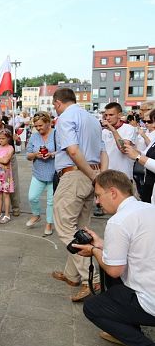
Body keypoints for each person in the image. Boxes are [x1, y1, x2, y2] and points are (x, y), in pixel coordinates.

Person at [72, 170, 155, 346]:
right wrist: (100, 244)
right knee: (112, 279)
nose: (98, 202)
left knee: (92, 307)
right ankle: (124, 330)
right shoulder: (148, 208)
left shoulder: (118, 221)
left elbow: (114, 269)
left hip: (150, 300)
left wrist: (93, 251)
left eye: (99, 195)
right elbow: (133, 247)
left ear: (113, 192)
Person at [51, 87, 108, 303]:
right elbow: (103, 150)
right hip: (91, 173)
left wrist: (92, 175)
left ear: (57, 103)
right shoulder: (92, 118)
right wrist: (99, 175)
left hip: (75, 175)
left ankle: (90, 278)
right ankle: (72, 274)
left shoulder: (66, 117)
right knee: (81, 228)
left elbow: (73, 151)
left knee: (65, 226)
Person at [25, 112, 56, 236]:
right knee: (32, 197)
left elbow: (64, 151)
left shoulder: (57, 134)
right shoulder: (34, 136)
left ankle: (49, 223)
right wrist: (35, 155)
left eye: (40, 125)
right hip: (38, 172)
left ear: (48, 123)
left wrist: (51, 154)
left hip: (54, 173)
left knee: (51, 201)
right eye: (36, 126)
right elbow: (27, 155)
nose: (38, 128)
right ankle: (36, 214)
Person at [0, 129, 15, 223]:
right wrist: (1, 161)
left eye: (3, 138)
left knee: (6, 194)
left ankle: (7, 214)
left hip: (6, 175)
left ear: (8, 138)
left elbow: (6, 160)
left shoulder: (10, 148)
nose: (1, 140)